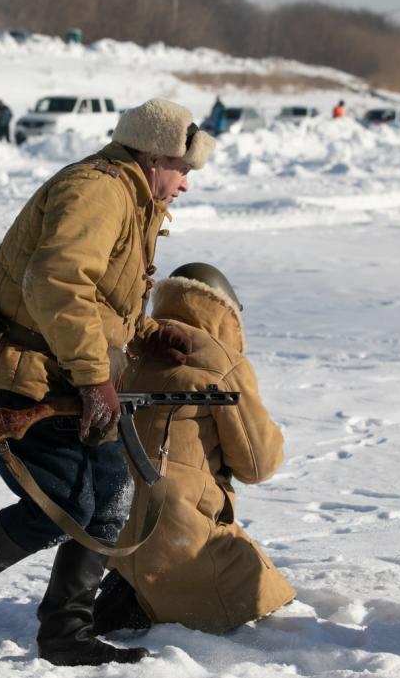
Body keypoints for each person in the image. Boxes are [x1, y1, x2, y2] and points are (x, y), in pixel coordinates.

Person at [0, 98, 216, 666]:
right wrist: (95, 381)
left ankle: (66, 633)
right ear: (153, 156)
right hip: (18, 374)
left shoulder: (135, 198)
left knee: (110, 502)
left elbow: (103, 295)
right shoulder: (97, 190)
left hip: (68, 373)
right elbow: (57, 284)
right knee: (60, 506)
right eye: (183, 170)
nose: (186, 184)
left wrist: (142, 334)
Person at [92, 263, 295, 635]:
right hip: (176, 529)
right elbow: (257, 464)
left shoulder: (126, 343)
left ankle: (132, 590)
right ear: (227, 312)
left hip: (108, 526)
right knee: (260, 589)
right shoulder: (221, 361)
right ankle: (150, 598)